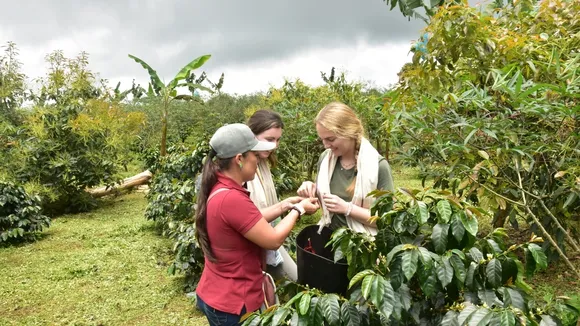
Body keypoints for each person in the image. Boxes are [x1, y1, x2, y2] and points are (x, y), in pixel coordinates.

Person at [195, 123, 318, 326]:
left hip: (218, 293)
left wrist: (284, 205)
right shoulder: (231, 199)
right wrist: (299, 210)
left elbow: (248, 220)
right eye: (254, 154)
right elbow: (273, 240)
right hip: (231, 304)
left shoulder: (220, 187)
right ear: (239, 159)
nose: (258, 160)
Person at [297, 101, 394, 235]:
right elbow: (322, 204)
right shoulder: (325, 160)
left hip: (365, 246)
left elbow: (388, 220)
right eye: (322, 139)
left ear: (349, 132)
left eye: (331, 139)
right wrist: (310, 190)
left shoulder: (378, 166)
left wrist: (348, 209)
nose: (326, 145)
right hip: (329, 242)